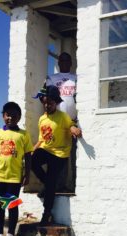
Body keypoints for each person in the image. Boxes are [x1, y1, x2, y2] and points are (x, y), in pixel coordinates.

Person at [32, 85, 82, 225]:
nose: (47, 105)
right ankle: (48, 184)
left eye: (51, 103)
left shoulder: (62, 116)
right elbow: (42, 139)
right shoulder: (42, 119)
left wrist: (74, 129)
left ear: (56, 103)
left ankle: (46, 213)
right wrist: (33, 150)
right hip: (46, 149)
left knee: (51, 181)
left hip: (60, 154)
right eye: (45, 103)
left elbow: (70, 125)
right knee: (33, 162)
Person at [0, 102, 33, 236]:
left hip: (14, 177)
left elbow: (28, 156)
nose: (10, 118)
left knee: (12, 205)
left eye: (14, 115)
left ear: (19, 117)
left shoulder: (23, 135)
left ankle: (11, 235)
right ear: (3, 116)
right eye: (7, 115)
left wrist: (27, 174)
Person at [46, 52, 77, 193]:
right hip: (56, 123)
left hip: (73, 123)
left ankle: (76, 184)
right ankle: (59, 186)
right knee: (58, 155)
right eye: (61, 60)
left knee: (75, 155)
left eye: (67, 60)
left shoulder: (77, 79)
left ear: (71, 62)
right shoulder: (51, 79)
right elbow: (43, 97)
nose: (64, 62)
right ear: (58, 63)